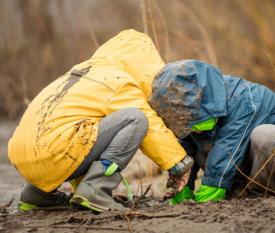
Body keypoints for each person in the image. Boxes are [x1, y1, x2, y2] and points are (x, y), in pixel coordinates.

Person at [8, 30, 193, 213]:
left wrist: (80, 188)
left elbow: (80, 141)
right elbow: (151, 125)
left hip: (22, 156)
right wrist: (178, 163)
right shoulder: (118, 81)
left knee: (75, 130)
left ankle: (36, 194)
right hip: (58, 151)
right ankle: (96, 189)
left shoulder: (79, 73)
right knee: (136, 119)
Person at [149, 60, 275, 204]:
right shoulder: (192, 111)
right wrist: (182, 187)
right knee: (201, 145)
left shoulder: (242, 98)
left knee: (264, 136)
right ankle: (238, 188)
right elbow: (185, 150)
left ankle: (261, 192)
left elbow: (227, 145)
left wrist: (212, 188)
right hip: (246, 147)